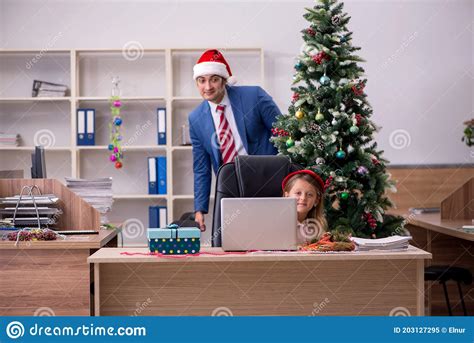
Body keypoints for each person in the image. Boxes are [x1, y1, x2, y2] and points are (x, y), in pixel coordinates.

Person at [188, 49, 281, 231]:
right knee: (232, 241)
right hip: (231, 185)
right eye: (202, 80)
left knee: (271, 236)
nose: (208, 87)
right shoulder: (196, 118)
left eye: (214, 79)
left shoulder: (254, 96)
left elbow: (284, 134)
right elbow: (201, 168)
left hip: (267, 176)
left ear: (224, 80)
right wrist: (200, 209)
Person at [282, 170, 327, 244]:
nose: (303, 198)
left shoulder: (317, 228)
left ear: (316, 200)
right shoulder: (277, 226)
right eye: (298, 193)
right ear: (287, 196)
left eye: (309, 194)